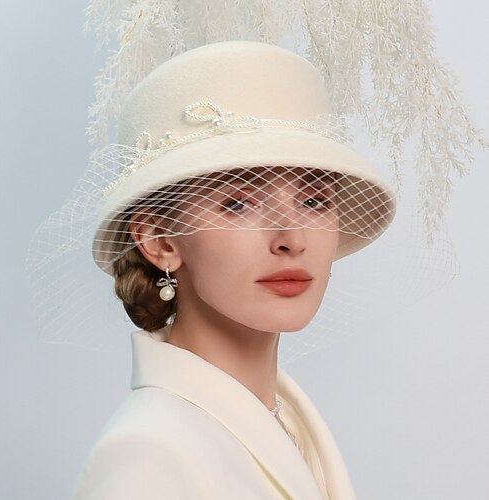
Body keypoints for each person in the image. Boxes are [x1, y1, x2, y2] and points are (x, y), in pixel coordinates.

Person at [67, 40, 395, 500]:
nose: (292, 238)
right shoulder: (147, 455)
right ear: (160, 240)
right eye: (239, 203)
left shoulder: (285, 419)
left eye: (314, 200)